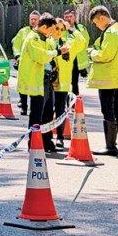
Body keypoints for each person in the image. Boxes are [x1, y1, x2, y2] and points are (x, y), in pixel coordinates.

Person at [86, 6, 118, 156]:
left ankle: (110, 146)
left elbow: (105, 55)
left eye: (95, 22)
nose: (96, 26)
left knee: (108, 109)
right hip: (117, 76)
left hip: (108, 77)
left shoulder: (112, 33)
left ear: (102, 18)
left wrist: (92, 53)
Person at [18, 13, 57, 149]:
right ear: (45, 27)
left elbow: (50, 51)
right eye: (51, 30)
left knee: (48, 112)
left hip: (46, 80)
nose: (52, 33)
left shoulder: (45, 38)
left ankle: (46, 140)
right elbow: (41, 56)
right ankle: (34, 142)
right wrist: (57, 53)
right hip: (36, 81)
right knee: (36, 114)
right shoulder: (33, 38)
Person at [48, 17, 86, 149]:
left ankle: (60, 137)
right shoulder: (48, 42)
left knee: (60, 110)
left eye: (61, 29)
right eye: (56, 28)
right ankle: (47, 137)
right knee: (47, 111)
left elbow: (82, 41)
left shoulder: (68, 44)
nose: (58, 31)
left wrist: (71, 29)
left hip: (62, 84)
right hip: (48, 83)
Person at [11, 10, 41, 116]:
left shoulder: (41, 33)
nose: (33, 21)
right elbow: (16, 45)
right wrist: (17, 56)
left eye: (35, 19)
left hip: (36, 64)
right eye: (31, 19)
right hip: (24, 64)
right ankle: (24, 106)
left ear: (39, 20)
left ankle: (34, 107)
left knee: (34, 87)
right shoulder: (23, 31)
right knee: (23, 86)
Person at [62, 9, 91, 95]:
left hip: (77, 58)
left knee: (74, 80)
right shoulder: (61, 29)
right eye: (66, 17)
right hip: (65, 58)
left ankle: (75, 96)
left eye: (70, 17)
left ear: (74, 18)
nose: (68, 19)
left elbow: (85, 41)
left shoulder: (81, 28)